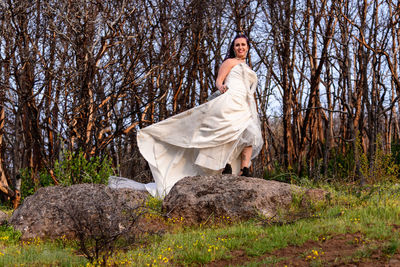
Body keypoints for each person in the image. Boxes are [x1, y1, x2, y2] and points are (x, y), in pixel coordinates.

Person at [109, 33, 263, 198]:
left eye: (243, 45)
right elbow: (219, 80)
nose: (240, 47)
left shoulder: (248, 67)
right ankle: (225, 165)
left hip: (245, 103)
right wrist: (221, 87)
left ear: (247, 48)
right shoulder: (229, 62)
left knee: (250, 134)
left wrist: (250, 103)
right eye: (237, 45)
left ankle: (244, 170)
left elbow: (248, 89)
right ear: (233, 48)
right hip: (230, 99)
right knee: (227, 132)